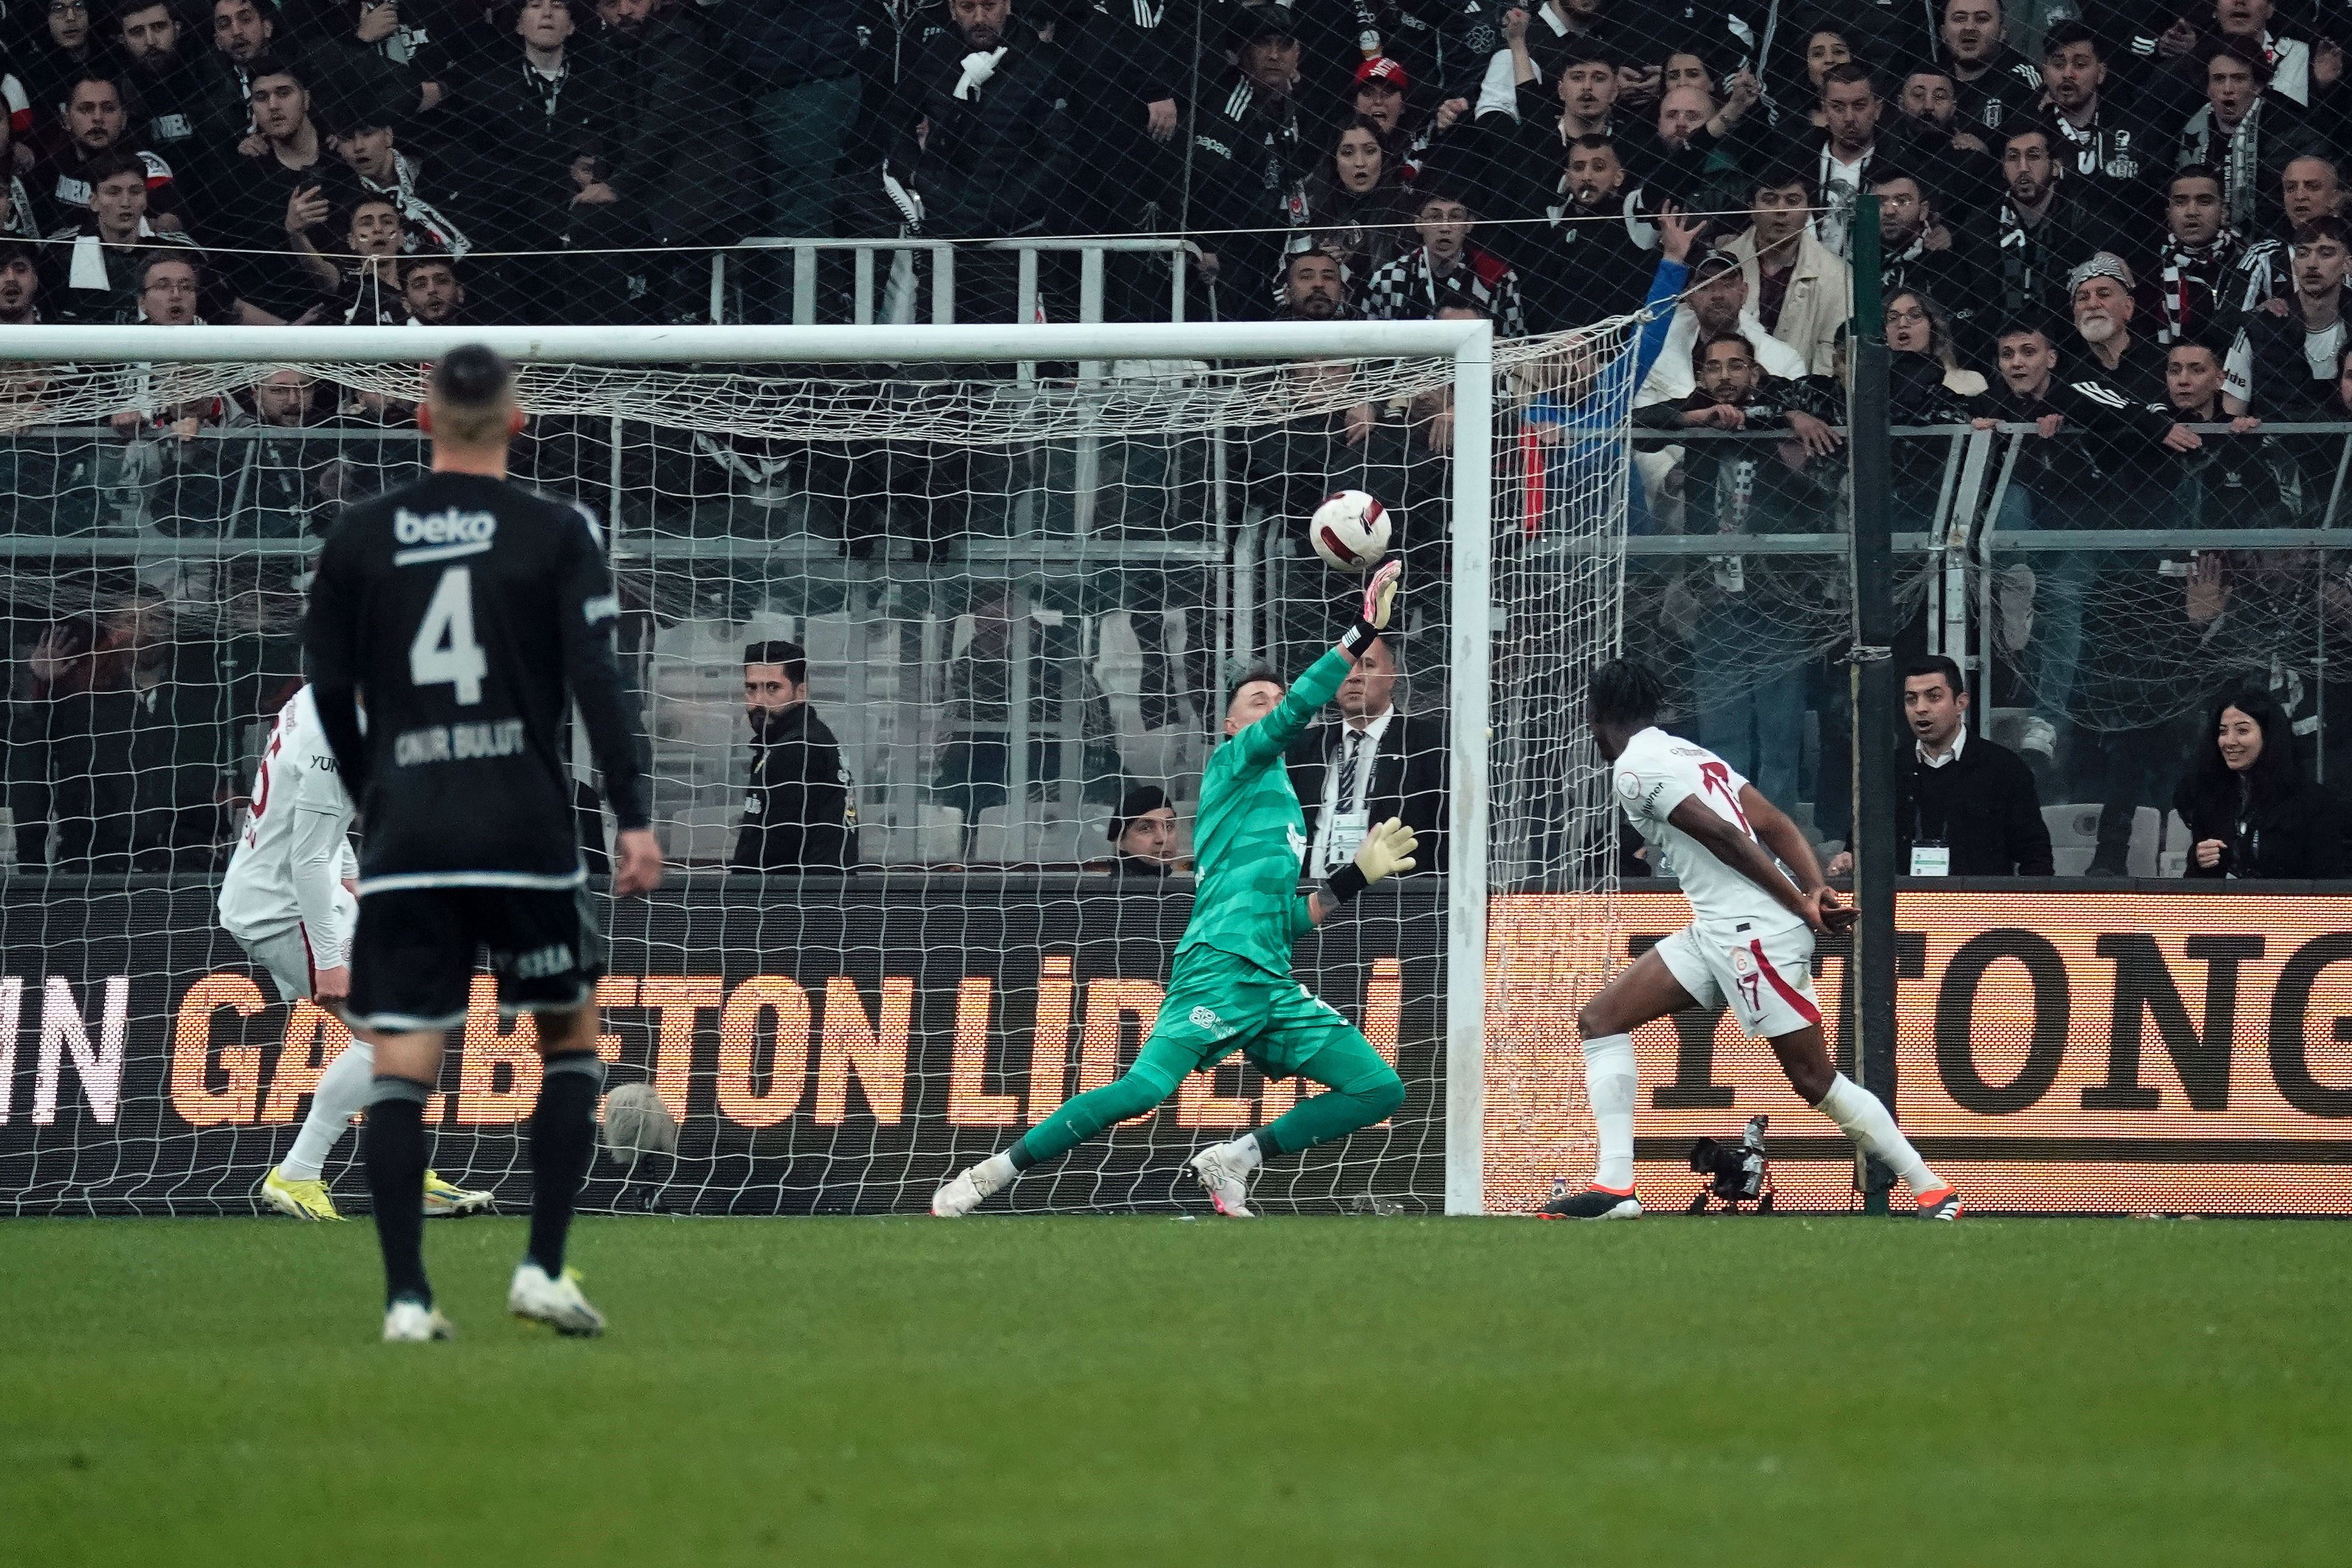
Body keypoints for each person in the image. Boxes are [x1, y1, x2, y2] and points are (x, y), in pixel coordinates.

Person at [302, 345, 662, 1342]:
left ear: (422, 420)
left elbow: (328, 689)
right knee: (569, 1044)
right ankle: (540, 1269)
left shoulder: (361, 535)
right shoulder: (556, 530)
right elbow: (597, 680)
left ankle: (406, 1301)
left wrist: (373, 791)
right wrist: (632, 813)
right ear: (517, 422)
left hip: (412, 834)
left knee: (402, 1063)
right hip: (524, 832)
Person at [933, 565, 1416, 1219]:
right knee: (1143, 1090)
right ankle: (990, 1174)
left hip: (1267, 976)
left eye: (1275, 698)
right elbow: (1299, 709)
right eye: (1257, 700)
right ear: (1229, 724)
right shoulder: (1233, 764)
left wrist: (1356, 875)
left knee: (1377, 1088)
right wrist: (1359, 632)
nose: (1272, 706)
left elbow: (1287, 919)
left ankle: (1236, 1158)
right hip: (1217, 964)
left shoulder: (1283, 799)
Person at [1536, 659, 1962, 1220]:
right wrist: (1814, 886)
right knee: (1601, 1020)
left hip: (1755, 935)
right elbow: (1776, 822)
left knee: (1814, 1079)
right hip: (1718, 929)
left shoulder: (1634, 769)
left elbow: (1729, 838)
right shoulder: (1690, 753)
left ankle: (1932, 1188)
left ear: (1597, 715)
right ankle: (1616, 1186)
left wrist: (1802, 900)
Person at [222, 684, 494, 1222]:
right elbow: (305, 857)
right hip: (281, 908)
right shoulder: (332, 740)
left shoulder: (319, 696)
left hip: (306, 891)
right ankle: (298, 1174)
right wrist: (329, 960)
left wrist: (350, 877)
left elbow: (313, 816)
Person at [1827, 657, 2053, 878]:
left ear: (1961, 703)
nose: (1921, 708)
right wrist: (1848, 860)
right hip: (1905, 901)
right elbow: (1859, 845)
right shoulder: (1887, 771)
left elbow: (2036, 858)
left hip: (1977, 901)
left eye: (1933, 697)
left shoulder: (2004, 769)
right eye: (1911, 699)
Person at [1286, 632, 1445, 878]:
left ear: (1392, 676)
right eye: (1345, 667)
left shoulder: (1429, 743)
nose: (1354, 676)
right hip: (1310, 892)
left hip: (1395, 895)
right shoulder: (1305, 746)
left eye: (1367, 665)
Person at [2174, 688, 2345, 877]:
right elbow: (2194, 887)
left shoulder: (2313, 803)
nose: (2229, 741)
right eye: (2223, 732)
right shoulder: (2211, 798)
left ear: (2268, 735)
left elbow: (2328, 882)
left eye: (2242, 730)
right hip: (2226, 898)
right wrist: (2200, 860)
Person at [731, 638, 855, 873]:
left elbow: (777, 847)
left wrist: (737, 888)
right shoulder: (799, 738)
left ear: (801, 692)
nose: (759, 701)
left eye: (772, 688)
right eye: (752, 688)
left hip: (795, 892)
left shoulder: (799, 747)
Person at [1723, 166, 1849, 376]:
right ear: (1751, 208)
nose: (1780, 210)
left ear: (1809, 210)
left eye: (1792, 201)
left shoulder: (1836, 276)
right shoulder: (1721, 266)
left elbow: (1829, 360)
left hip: (1802, 389)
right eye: (1770, 200)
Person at [1106, 783, 1179, 878]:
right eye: (1146, 828)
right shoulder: (1110, 887)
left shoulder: (1188, 883)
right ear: (1120, 841)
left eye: (1169, 826)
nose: (1162, 839)